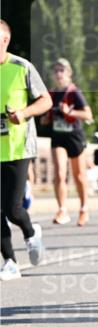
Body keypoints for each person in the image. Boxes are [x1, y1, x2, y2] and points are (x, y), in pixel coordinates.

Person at [0, 19, 51, 280]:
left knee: (13, 209)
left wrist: (23, 112)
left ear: (5, 40)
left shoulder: (21, 67)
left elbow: (46, 100)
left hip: (18, 147)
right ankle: (9, 261)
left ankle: (31, 232)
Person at [43, 58, 93, 226]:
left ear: (69, 73)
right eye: (56, 70)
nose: (58, 74)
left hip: (74, 137)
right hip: (58, 137)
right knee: (59, 173)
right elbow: (44, 120)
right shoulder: (50, 94)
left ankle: (84, 208)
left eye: (61, 70)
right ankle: (62, 209)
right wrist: (46, 117)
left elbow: (88, 115)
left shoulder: (74, 92)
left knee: (79, 176)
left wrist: (69, 111)